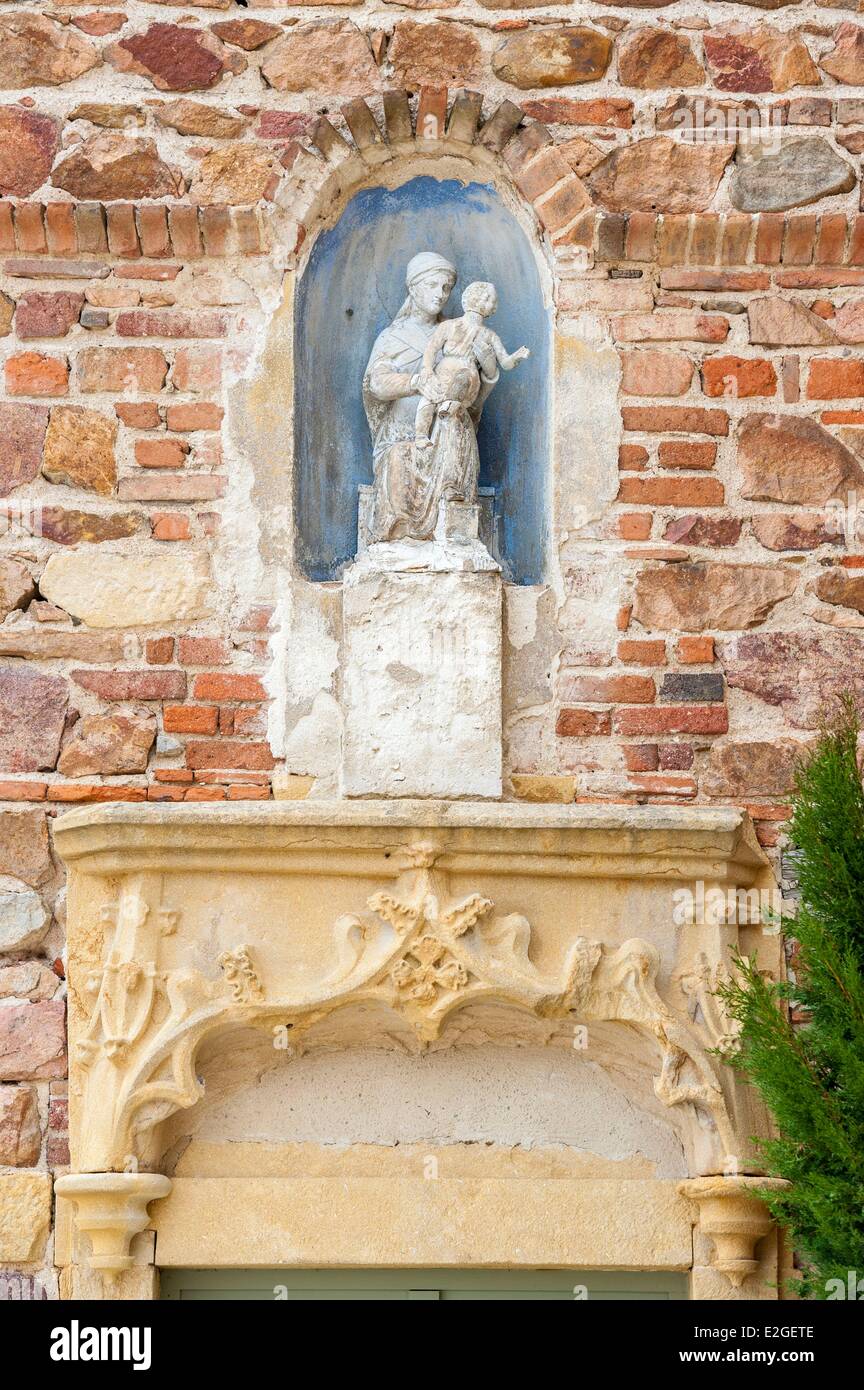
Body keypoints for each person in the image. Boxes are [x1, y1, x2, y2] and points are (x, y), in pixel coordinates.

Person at [362, 252, 498, 544]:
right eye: (433, 285)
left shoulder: (456, 332)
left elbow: (472, 394)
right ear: (413, 288)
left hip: (448, 431)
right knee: (399, 460)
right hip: (402, 435)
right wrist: (416, 382)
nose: (441, 294)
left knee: (454, 463)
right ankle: (398, 539)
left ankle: (453, 539)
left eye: (446, 288)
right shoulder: (393, 336)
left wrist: (488, 373)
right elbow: (377, 383)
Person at [414, 281, 529, 451]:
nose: (495, 305)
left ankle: (449, 405)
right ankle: (421, 436)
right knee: (428, 399)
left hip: (467, 374)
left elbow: (505, 362)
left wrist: (517, 356)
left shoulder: (489, 335)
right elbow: (431, 348)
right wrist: (427, 370)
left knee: (462, 379)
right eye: (493, 300)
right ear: (481, 299)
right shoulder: (450, 326)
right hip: (443, 372)